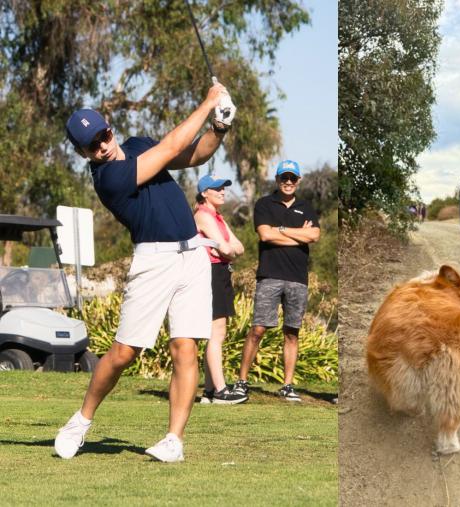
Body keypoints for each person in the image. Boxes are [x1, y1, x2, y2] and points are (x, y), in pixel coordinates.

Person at [55, 81, 236, 462]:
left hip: (193, 256)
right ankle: (81, 420)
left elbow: (191, 155)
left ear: (110, 127)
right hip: (154, 261)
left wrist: (218, 129)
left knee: (185, 347)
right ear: (83, 152)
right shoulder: (108, 179)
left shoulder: (137, 144)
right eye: (92, 145)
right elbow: (171, 145)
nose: (103, 145)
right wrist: (207, 102)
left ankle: (174, 440)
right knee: (124, 352)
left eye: (103, 135)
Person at [225, 160, 320, 403]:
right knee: (258, 329)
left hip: (298, 278)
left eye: (292, 178)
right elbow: (265, 235)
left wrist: (282, 231)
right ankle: (242, 382)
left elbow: (315, 235)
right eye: (283, 178)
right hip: (270, 275)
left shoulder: (306, 207)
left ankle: (287, 386)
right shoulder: (264, 204)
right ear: (277, 180)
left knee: (292, 333)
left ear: (298, 181)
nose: (288, 182)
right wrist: (299, 235)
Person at [193, 174, 245, 404]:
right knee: (217, 333)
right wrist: (225, 250)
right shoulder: (203, 215)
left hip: (221, 273)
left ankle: (209, 391)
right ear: (205, 193)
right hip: (211, 274)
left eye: (224, 188)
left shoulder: (218, 217)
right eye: (217, 188)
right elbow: (226, 248)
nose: (223, 191)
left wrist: (226, 250)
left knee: (217, 334)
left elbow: (238, 247)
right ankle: (221, 391)